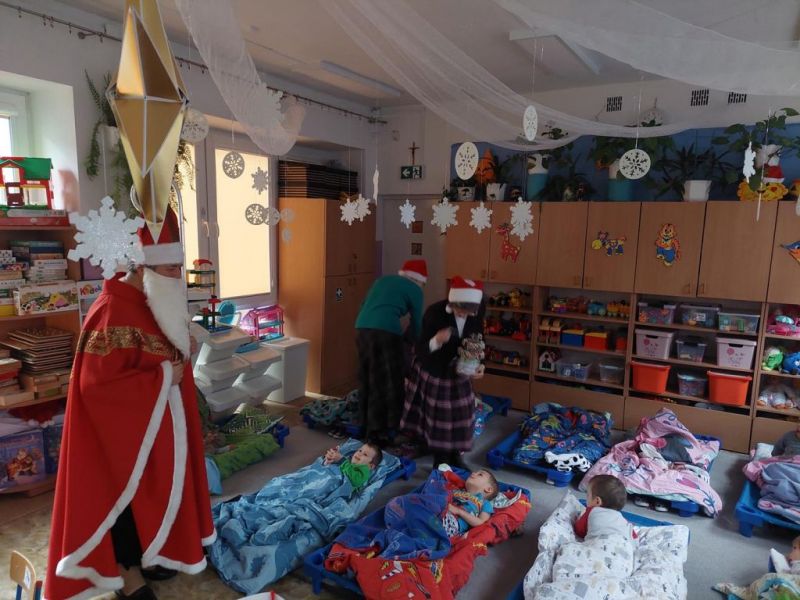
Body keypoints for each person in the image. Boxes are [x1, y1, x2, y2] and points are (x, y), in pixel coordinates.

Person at [46, 208, 214, 600]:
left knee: (155, 495)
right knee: (127, 501)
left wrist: (183, 346)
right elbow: (96, 388)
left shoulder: (152, 302)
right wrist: (162, 378)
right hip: (121, 442)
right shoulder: (111, 311)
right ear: (143, 270)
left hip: (157, 433)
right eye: (171, 269)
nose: (178, 277)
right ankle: (126, 572)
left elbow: (161, 352)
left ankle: (152, 553)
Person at [401, 276, 485, 469]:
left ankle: (455, 456)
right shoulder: (435, 313)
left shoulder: (476, 312)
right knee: (439, 418)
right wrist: (437, 341)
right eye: (461, 309)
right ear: (453, 302)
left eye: (469, 311)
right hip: (434, 368)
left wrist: (481, 364)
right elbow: (420, 348)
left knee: (462, 414)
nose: (464, 314)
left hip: (460, 369)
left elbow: (479, 340)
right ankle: (440, 459)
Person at [355, 259, 427, 445]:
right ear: (420, 280)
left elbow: (364, 305)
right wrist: (420, 348)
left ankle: (364, 424)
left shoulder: (382, 281)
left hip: (362, 328)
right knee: (390, 381)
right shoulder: (415, 290)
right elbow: (417, 323)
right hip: (386, 332)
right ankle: (384, 430)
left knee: (367, 377)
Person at [574, 474, 636, 540]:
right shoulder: (622, 519)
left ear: (597, 501)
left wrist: (578, 518)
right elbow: (633, 536)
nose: (586, 498)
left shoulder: (592, 512)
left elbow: (579, 531)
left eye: (588, 495)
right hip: (624, 544)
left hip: (601, 544)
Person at [442, 469, 499, 537]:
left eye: (480, 474)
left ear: (488, 489)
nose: (473, 473)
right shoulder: (459, 490)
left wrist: (459, 511)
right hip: (441, 509)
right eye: (475, 472)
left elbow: (481, 523)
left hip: (453, 522)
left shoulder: (485, 503)